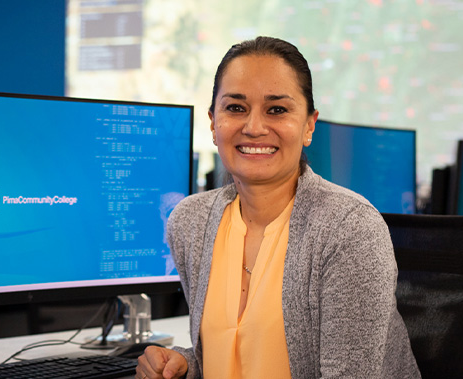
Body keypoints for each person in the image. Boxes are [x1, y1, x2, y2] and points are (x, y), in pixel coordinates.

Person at [135, 36, 421, 379]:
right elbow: (236, 352)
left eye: (277, 110)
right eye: (236, 108)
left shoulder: (349, 228)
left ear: (309, 125)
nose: (254, 127)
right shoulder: (191, 221)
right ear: (213, 123)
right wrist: (186, 363)